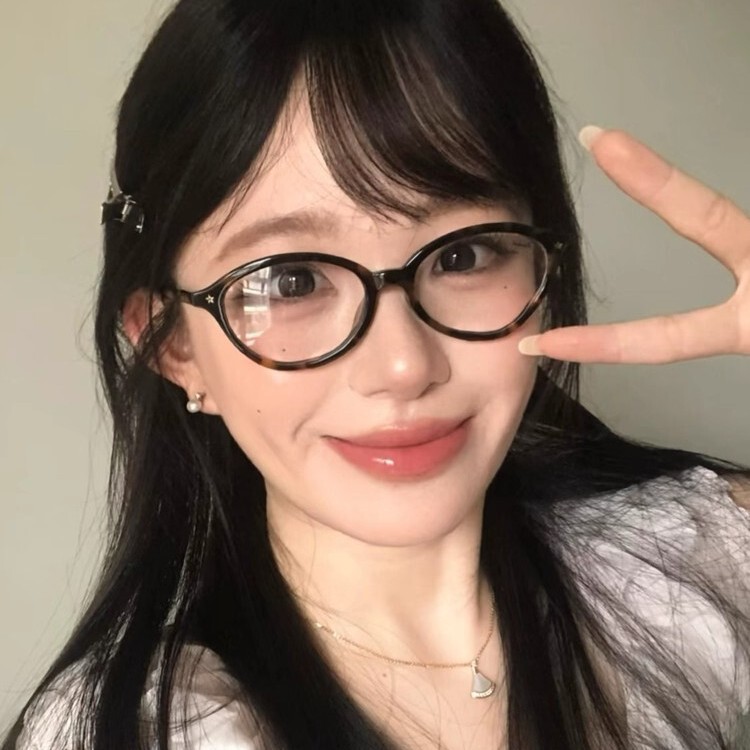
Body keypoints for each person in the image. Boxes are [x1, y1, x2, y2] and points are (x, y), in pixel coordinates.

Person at [3, 0, 749, 748]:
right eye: (292, 280)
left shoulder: (698, 566)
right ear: (174, 346)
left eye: (462, 255)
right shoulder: (136, 730)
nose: (404, 367)